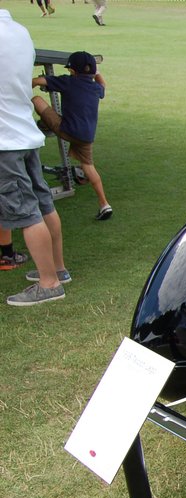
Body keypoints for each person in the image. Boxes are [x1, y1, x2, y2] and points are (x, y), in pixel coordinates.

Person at [1, 8, 69, 305]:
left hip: (5, 139)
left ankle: (49, 283)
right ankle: (58, 268)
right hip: (24, 131)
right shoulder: (19, 31)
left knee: (26, 212)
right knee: (43, 204)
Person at [32, 51, 113, 221]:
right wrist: (96, 73)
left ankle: (45, 124)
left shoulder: (67, 81)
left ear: (73, 71)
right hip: (86, 135)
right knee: (88, 166)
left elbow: (38, 81)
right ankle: (104, 204)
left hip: (66, 130)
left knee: (37, 100)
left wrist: (28, 84)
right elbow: (103, 84)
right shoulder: (95, 88)